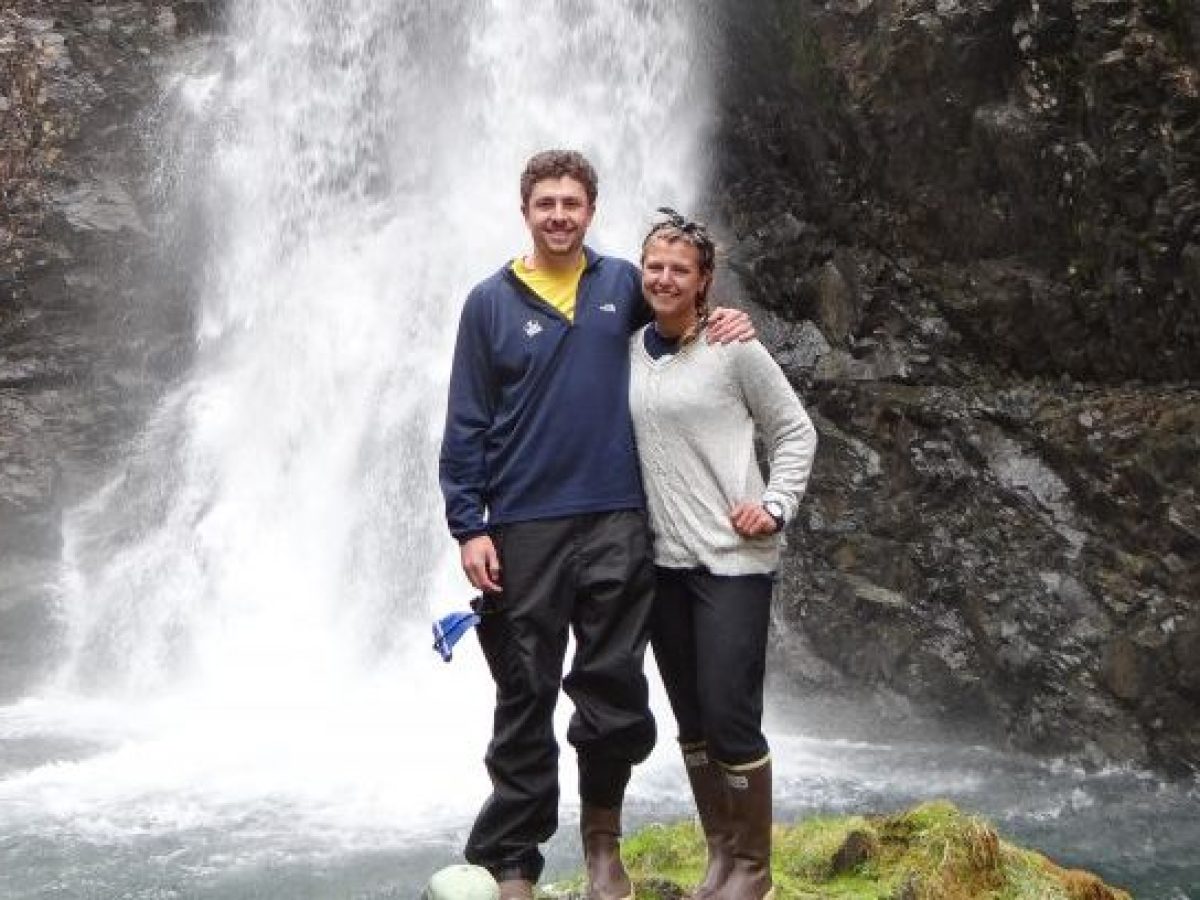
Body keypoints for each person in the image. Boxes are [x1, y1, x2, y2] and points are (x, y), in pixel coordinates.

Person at [438, 151, 752, 900]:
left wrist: (722, 314)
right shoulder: (488, 302)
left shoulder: (622, 285)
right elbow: (466, 422)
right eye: (545, 202)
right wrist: (468, 525)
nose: (558, 215)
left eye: (571, 203)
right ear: (525, 212)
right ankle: (511, 858)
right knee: (525, 691)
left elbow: (683, 325)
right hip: (522, 525)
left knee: (613, 688)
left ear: (591, 210)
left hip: (617, 516)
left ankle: (602, 842)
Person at [628, 210, 818, 900]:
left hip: (734, 562)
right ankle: (721, 858)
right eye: (655, 266)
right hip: (663, 566)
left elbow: (794, 431)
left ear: (705, 280)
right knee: (694, 719)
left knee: (731, 713)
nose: (665, 278)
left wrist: (774, 505)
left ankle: (756, 872)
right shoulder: (629, 349)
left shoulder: (735, 349)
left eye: (681, 268)